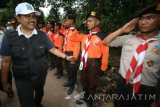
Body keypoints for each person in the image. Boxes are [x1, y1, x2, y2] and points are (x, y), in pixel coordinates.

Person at [0, 2, 75, 107]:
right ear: (18, 18)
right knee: (26, 102)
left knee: (40, 94)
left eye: (33, 16)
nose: (32, 19)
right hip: (22, 79)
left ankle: (38, 103)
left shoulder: (42, 35)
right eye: (27, 16)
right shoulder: (9, 37)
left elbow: (52, 49)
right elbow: (5, 61)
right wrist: (4, 82)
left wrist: (67, 57)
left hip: (40, 76)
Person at [103, 2, 160, 107]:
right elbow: (106, 42)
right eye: (141, 18)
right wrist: (122, 30)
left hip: (146, 89)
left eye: (149, 18)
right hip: (123, 84)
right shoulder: (129, 38)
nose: (143, 22)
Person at [71, 11, 109, 107]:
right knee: (84, 81)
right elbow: (72, 37)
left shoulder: (102, 37)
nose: (88, 23)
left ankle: (90, 101)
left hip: (94, 63)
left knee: (92, 83)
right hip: (83, 61)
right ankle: (86, 96)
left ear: (97, 22)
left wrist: (103, 68)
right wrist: (80, 26)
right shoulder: (85, 36)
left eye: (90, 21)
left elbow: (105, 53)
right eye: (87, 21)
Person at [61, 12, 80, 95]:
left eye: (67, 20)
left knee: (72, 71)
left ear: (72, 21)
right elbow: (61, 32)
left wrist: (74, 58)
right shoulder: (67, 31)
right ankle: (69, 82)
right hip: (66, 53)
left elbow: (77, 46)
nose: (65, 21)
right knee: (68, 69)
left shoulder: (75, 31)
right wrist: (63, 24)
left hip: (72, 54)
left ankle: (72, 85)